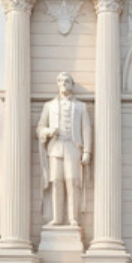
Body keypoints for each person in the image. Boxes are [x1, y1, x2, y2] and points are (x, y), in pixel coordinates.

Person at [37, 72, 92, 227]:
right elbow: (40, 127)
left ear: (72, 84)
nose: (63, 83)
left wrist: (87, 151)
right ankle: (57, 218)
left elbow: (86, 129)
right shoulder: (49, 106)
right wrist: (47, 132)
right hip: (55, 147)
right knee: (56, 182)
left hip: (73, 147)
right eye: (60, 81)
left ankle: (73, 218)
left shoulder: (80, 106)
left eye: (67, 80)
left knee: (73, 181)